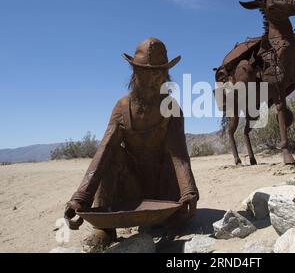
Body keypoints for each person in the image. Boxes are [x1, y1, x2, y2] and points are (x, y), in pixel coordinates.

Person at [64, 38, 199, 250]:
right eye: (145, 73)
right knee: (114, 154)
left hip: (163, 186)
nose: (151, 79)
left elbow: (179, 153)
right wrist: (80, 199)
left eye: (157, 73)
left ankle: (172, 220)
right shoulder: (122, 108)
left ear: (165, 76)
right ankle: (105, 228)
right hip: (131, 187)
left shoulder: (172, 109)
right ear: (134, 74)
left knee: (181, 218)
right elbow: (104, 152)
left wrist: (189, 191)